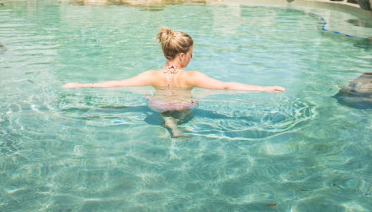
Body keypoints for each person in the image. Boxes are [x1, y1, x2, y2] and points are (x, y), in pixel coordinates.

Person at [63, 27, 284, 137]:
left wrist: (82, 85)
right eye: (191, 54)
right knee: (190, 105)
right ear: (182, 56)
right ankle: (176, 122)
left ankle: (168, 121)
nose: (192, 58)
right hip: (183, 106)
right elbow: (226, 86)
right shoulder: (191, 76)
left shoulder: (152, 75)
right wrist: (263, 88)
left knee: (157, 103)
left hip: (157, 106)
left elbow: (118, 83)